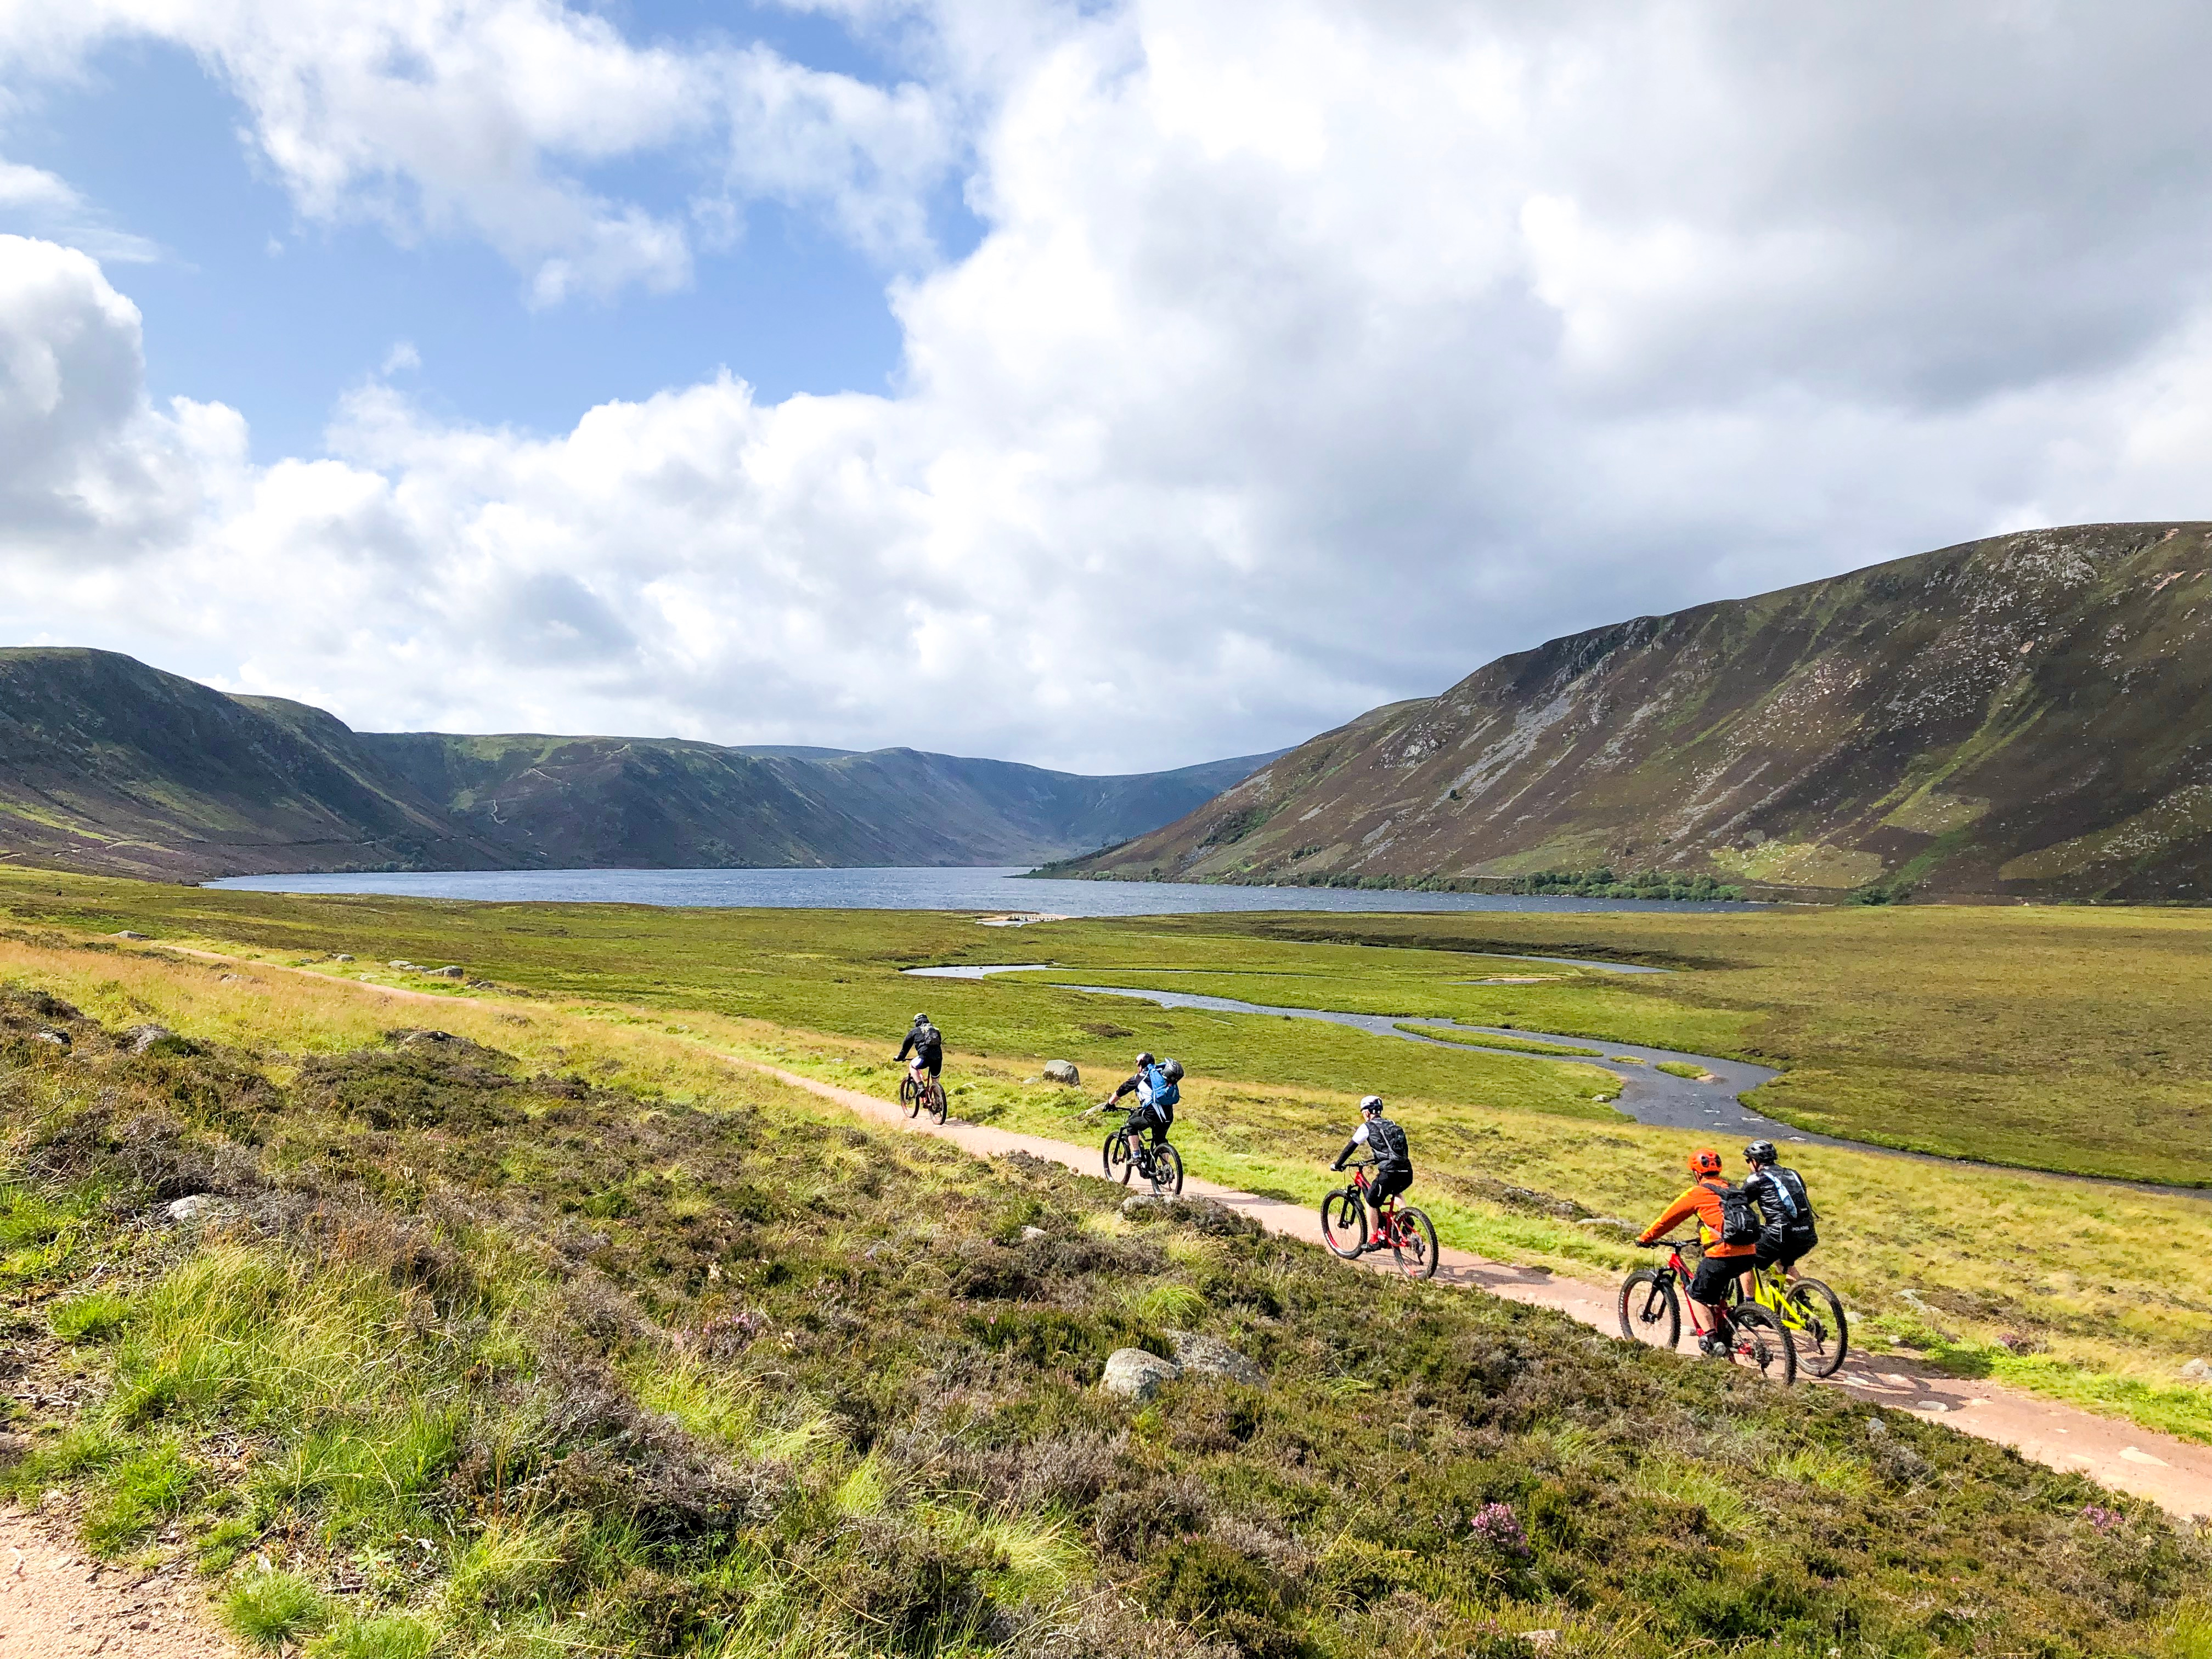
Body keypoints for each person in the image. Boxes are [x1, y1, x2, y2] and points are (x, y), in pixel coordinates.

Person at [1635, 1149, 1757, 1356]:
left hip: (1722, 1254)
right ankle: (1728, 1327)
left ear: (1696, 1172)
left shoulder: (1697, 1193)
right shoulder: (1733, 1189)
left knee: (1696, 1294)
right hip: (1749, 1252)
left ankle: (1711, 1338)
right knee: (1717, 1294)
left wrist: (1646, 1238)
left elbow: (1668, 1219)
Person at [1330, 1095, 1412, 1254]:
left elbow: (1350, 1147)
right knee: (1396, 1193)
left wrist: (1338, 1164)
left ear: (1367, 1113)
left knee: (1371, 1201)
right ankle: (1408, 1223)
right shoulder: (1392, 1124)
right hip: (1407, 1171)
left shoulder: (1367, 1127)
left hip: (1389, 1172)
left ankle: (1375, 1239)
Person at [1740, 1139, 1818, 1290]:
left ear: (1756, 1161)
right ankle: (1801, 1299)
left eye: (1749, 1160)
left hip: (1781, 1234)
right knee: (1785, 1264)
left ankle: (1749, 1307)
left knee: (1744, 1260)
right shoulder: (1793, 1174)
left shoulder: (1757, 1178)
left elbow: (1739, 1202)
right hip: (1807, 1233)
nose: (1749, 1164)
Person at [1105, 1052, 1181, 1153]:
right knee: (1160, 1141)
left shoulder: (1140, 1077)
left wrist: (1110, 1103)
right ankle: (1166, 1167)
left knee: (1131, 1126)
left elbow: (1122, 1090)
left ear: (1141, 1065)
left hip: (1153, 1115)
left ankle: (1136, 1155)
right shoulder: (1162, 1074)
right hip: (1168, 1115)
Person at [893, 1013, 944, 1086]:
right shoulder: (935, 1030)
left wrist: (900, 1057)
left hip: (925, 1057)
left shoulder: (915, 1031)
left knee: (912, 1066)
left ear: (917, 1021)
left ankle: (920, 1086)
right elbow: (938, 1043)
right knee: (935, 1082)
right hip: (938, 1057)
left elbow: (906, 1047)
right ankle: (937, 1096)